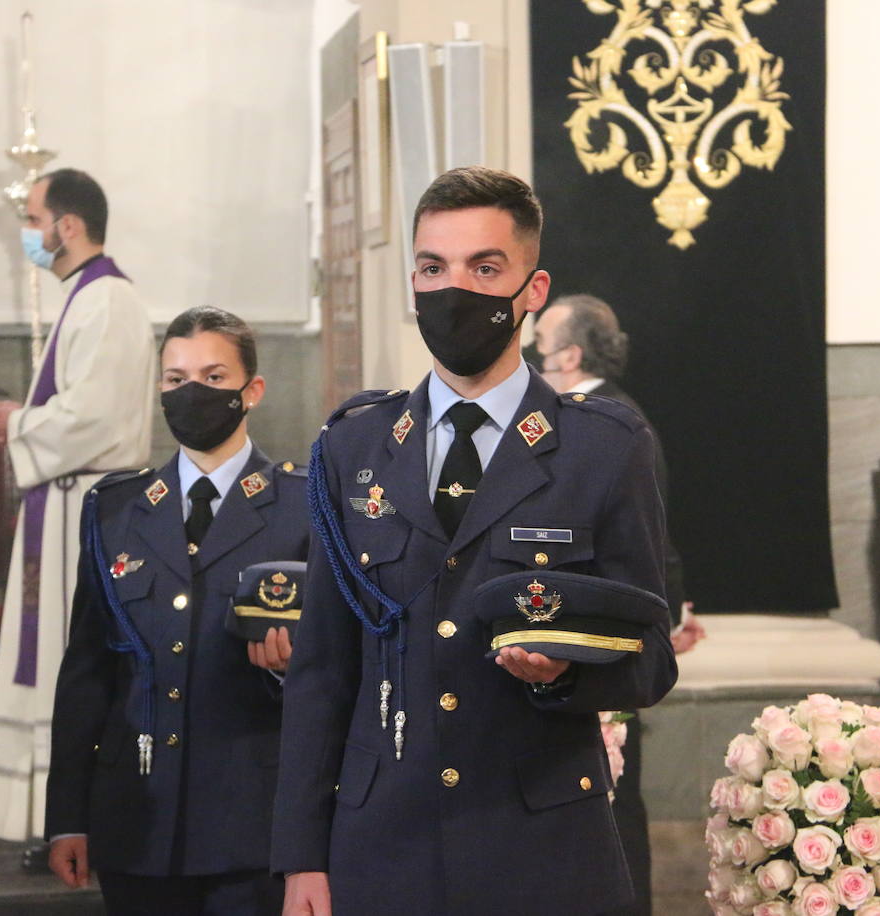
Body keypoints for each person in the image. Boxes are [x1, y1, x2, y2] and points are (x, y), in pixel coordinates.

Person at [271, 166, 679, 916]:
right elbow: (322, 670)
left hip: (541, 849)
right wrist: (301, 855)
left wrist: (562, 674)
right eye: (433, 267)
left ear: (532, 288)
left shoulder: (605, 447)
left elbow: (649, 660)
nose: (453, 288)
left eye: (484, 268)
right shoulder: (353, 445)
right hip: (381, 843)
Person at [46, 306, 308, 915]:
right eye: (175, 378)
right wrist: (67, 817)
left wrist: (286, 669)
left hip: (253, 822)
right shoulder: (115, 508)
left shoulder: (304, 507)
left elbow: (337, 673)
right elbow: (87, 670)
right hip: (137, 822)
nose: (192, 391)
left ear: (253, 391)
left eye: (214, 378)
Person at [0, 168, 158, 865]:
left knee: (71, 664)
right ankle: (53, 820)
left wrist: (19, 420)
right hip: (62, 501)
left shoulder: (107, 300)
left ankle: (71, 820)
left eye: (31, 218)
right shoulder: (88, 296)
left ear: (67, 226)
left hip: (88, 505)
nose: (29, 232)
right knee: (49, 659)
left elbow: (95, 417)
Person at [525, 292, 705, 915]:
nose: (530, 353)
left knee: (615, 793)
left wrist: (665, 610)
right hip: (602, 629)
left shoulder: (604, 421)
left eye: (540, 342)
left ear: (570, 354)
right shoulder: (600, 411)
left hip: (606, 636)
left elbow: (639, 537)